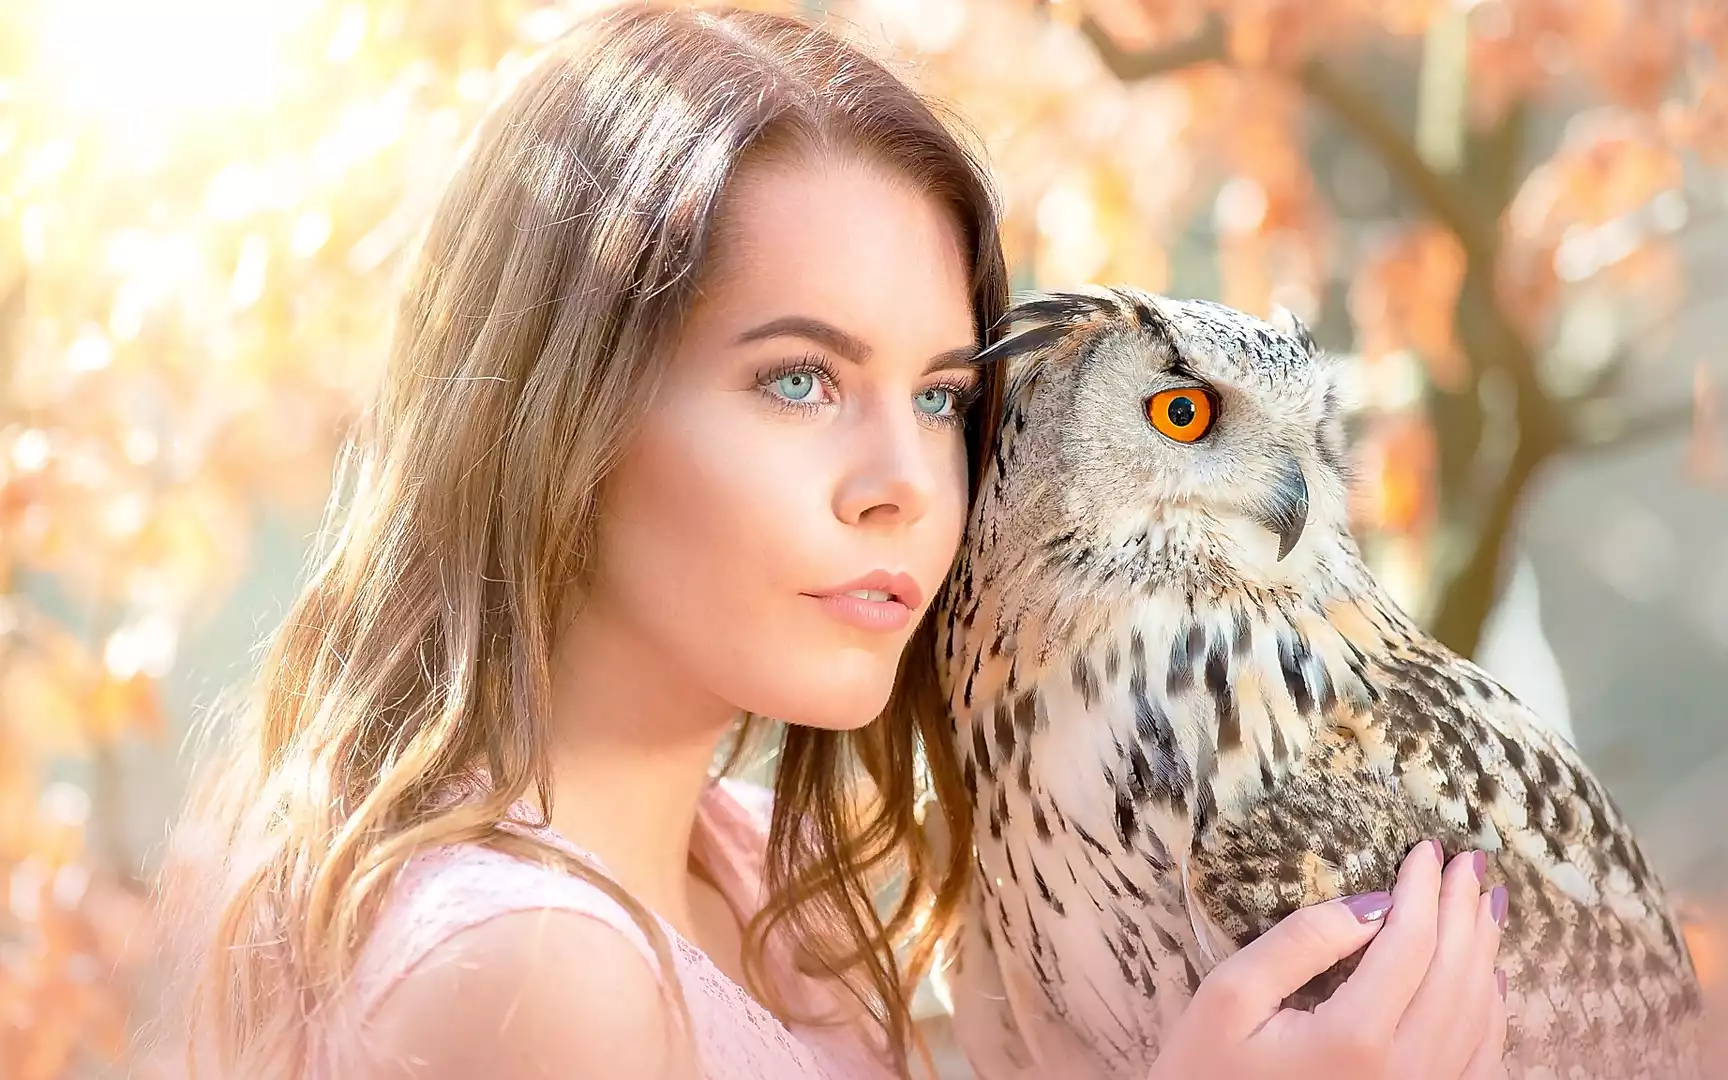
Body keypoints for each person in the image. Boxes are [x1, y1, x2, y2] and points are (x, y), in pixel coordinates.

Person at [153, 5, 1509, 1079]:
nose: (905, 485)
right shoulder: (541, 976)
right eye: (797, 380)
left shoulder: (749, 873)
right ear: (558, 417)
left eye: (939, 399)